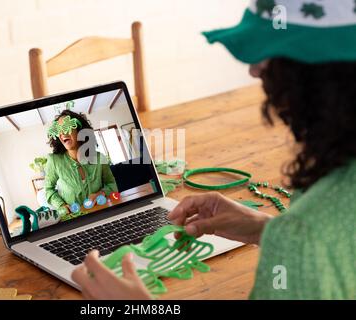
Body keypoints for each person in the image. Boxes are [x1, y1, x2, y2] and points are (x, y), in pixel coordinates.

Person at [71, 0, 356, 300]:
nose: (254, 69)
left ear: (322, 73)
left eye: (269, 51)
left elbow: (315, 246)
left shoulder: (305, 240)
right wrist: (265, 229)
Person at [45, 110, 118, 216]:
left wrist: (100, 194)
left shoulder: (98, 158)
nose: (63, 133)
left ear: (80, 130)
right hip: (74, 220)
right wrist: (61, 205)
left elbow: (112, 184)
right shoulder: (54, 161)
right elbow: (48, 190)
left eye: (67, 127)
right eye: (58, 130)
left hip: (102, 214)